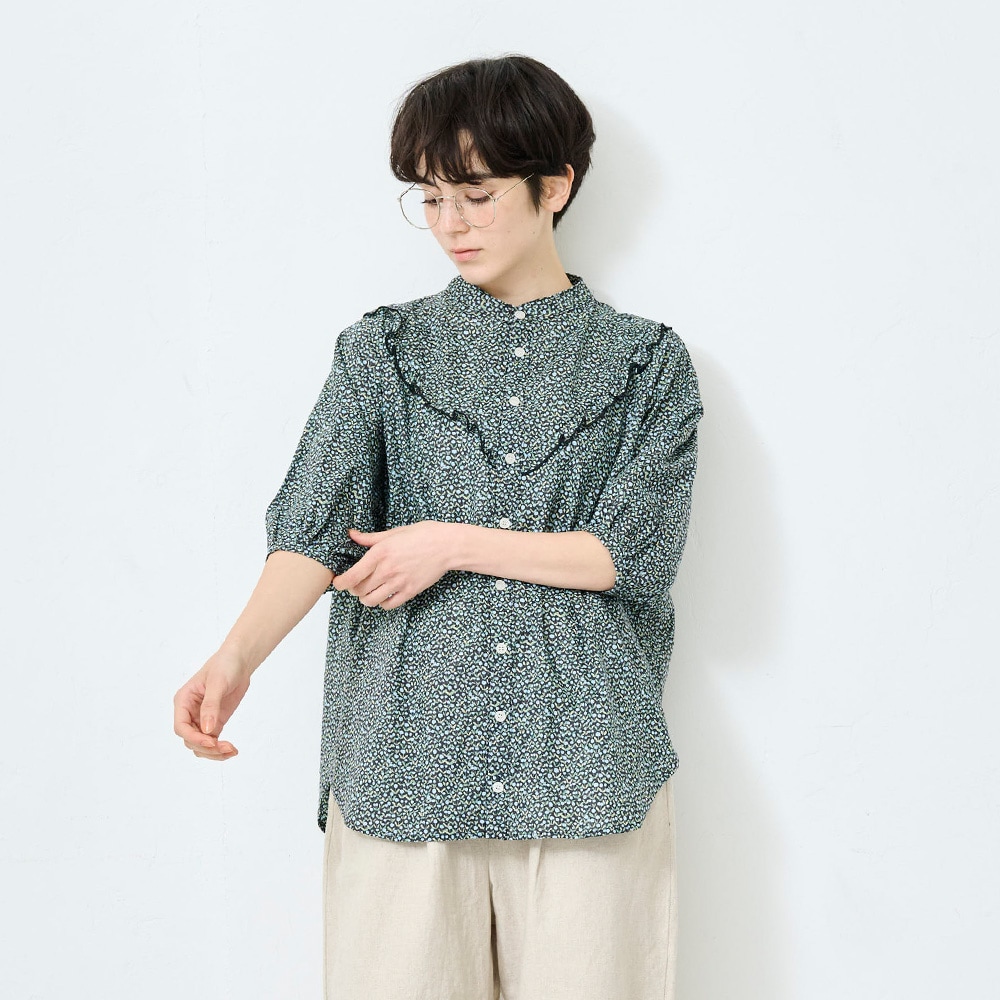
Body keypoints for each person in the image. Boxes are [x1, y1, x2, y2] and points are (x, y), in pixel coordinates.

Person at [173, 53, 703, 1000]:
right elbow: (313, 529)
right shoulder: (381, 351)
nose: (450, 224)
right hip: (403, 760)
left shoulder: (647, 364)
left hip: (589, 766)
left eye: (477, 195)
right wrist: (234, 658)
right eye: (429, 198)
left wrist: (448, 541)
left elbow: (628, 554)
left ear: (555, 186)